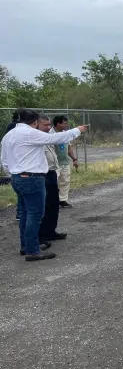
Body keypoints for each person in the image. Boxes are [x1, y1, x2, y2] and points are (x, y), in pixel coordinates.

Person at [1, 109, 87, 261]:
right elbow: (56, 138)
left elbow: (5, 160)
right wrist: (77, 130)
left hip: (17, 178)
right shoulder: (29, 133)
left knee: (25, 214)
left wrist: (15, 173)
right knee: (35, 214)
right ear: (34, 122)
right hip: (32, 179)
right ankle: (32, 250)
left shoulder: (9, 135)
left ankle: (27, 245)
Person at [37, 115, 67, 242]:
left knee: (53, 203)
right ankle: (41, 234)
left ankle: (50, 231)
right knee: (44, 206)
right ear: (36, 124)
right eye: (45, 125)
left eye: (49, 125)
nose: (48, 127)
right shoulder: (34, 137)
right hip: (42, 174)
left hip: (52, 172)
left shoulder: (47, 137)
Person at [51, 115, 79, 208]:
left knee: (65, 181)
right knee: (53, 183)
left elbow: (69, 147)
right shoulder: (50, 134)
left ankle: (62, 200)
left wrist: (74, 159)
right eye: (65, 123)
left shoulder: (65, 133)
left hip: (65, 162)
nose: (66, 125)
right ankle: (52, 200)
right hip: (54, 164)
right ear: (58, 123)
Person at [5, 111, 21, 220]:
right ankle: (20, 213)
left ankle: (20, 214)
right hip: (18, 160)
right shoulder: (14, 126)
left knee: (21, 193)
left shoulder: (12, 126)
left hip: (15, 160)